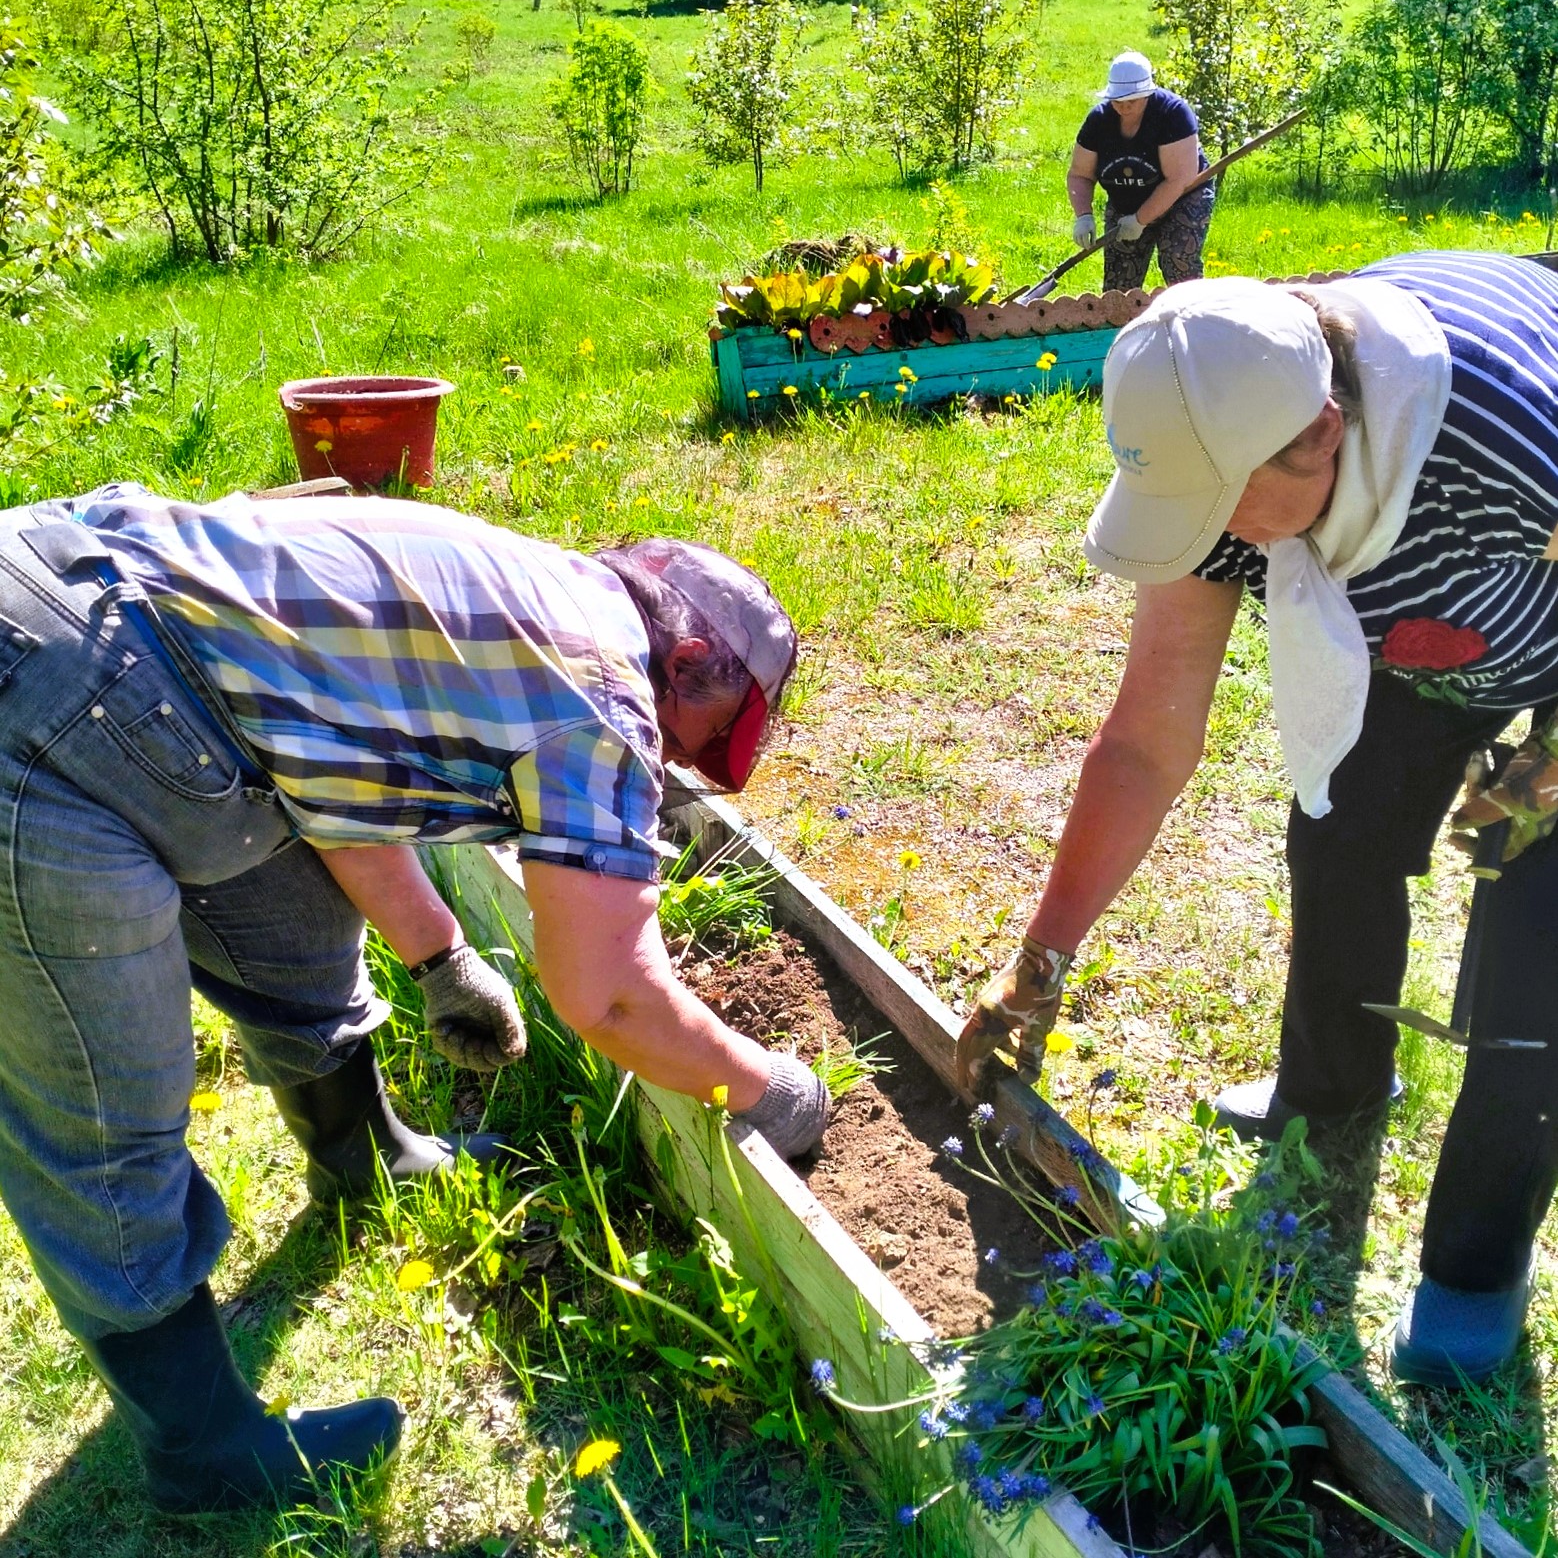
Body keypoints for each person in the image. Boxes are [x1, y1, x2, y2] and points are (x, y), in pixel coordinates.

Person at [0, 485, 827, 1512]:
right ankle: (200, 1447)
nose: (686, 762)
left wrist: (440, 957)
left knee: (290, 927)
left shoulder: (529, 592)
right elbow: (609, 996)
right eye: (710, 730)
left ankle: (365, 1156)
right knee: (102, 1104)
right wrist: (766, 1089)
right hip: (41, 713)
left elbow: (336, 763)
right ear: (694, 659)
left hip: (122, 653)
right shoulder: (600, 694)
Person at [955, 252, 1558, 1388]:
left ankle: (1473, 1275)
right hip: (1427, 631)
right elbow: (1145, 737)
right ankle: (1329, 1093)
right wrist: (1040, 960)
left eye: (1219, 503)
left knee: (1537, 972)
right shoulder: (1227, 423)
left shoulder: (1512, 433)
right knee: (1337, 835)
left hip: (1532, 587)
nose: (1208, 534)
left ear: (1324, 432)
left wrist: (1544, 767)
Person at [1067, 50, 1213, 292]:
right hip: (1126, 201)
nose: (1123, 107)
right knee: (1118, 283)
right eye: (1117, 101)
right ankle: (1119, 328)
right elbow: (1080, 174)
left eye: (1131, 101)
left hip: (1183, 198)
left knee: (1179, 264)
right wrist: (1083, 215)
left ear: (1147, 94)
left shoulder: (1172, 114)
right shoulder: (1099, 121)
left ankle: (1196, 324)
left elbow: (1179, 179)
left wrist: (1140, 220)